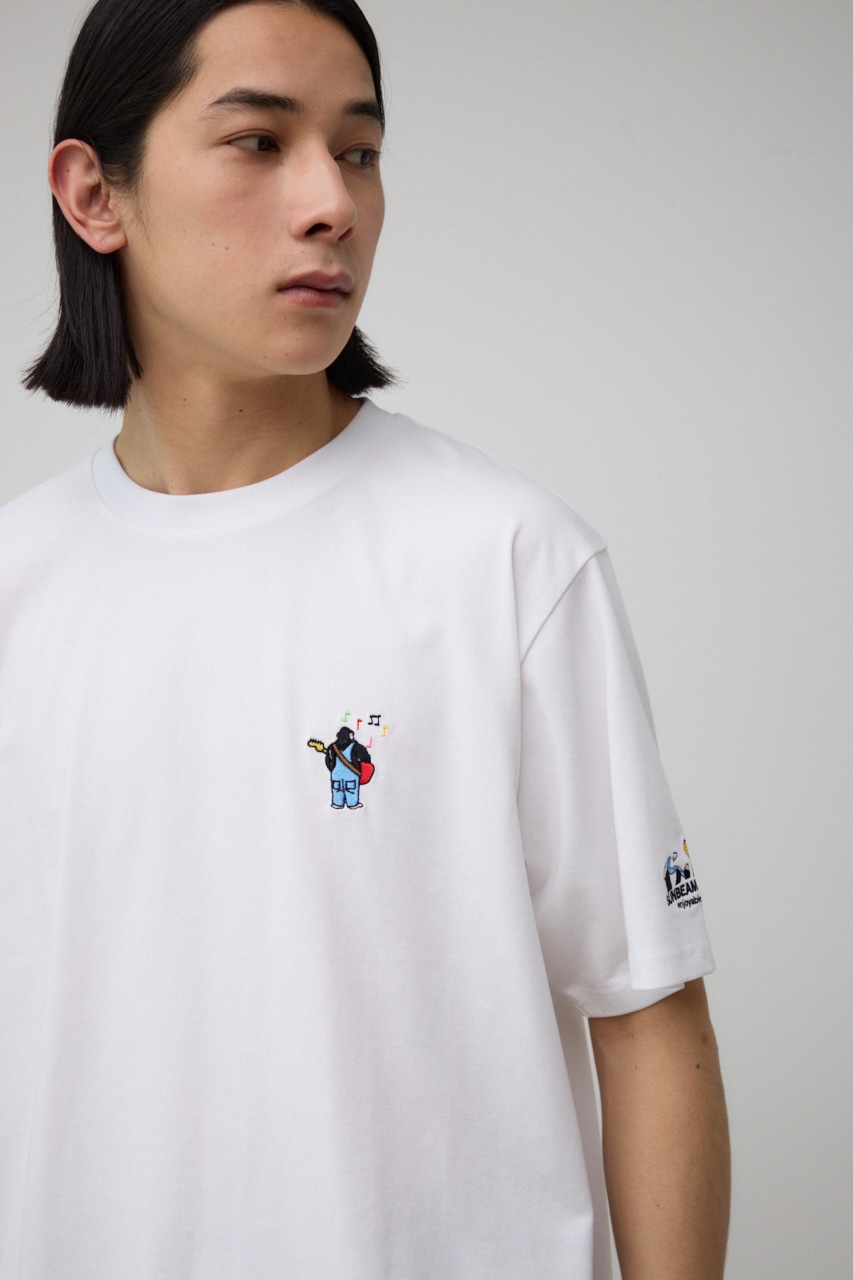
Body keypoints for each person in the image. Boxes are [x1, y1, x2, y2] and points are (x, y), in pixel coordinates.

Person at [0, 1, 730, 1277]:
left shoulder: (506, 559)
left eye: (359, 151)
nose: (332, 203)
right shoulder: (20, 583)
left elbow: (647, 1011)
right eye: (259, 141)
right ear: (94, 194)